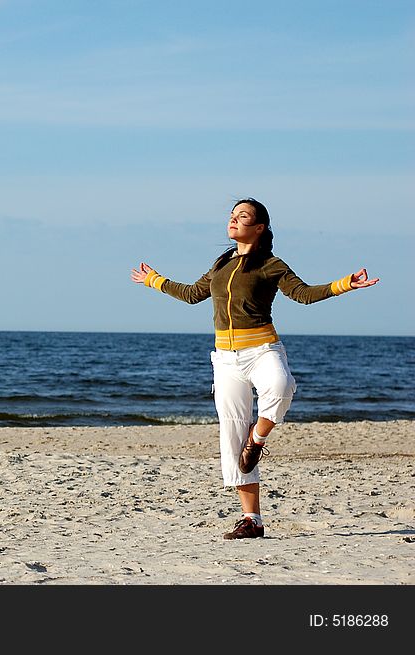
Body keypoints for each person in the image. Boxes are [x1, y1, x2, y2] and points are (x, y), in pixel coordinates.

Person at [131, 198, 379, 539]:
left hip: (262, 348)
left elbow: (304, 295)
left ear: (259, 227)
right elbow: (191, 294)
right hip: (225, 358)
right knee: (233, 437)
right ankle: (252, 520)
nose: (233, 221)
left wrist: (344, 284)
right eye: (232, 216)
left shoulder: (271, 265)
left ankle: (259, 437)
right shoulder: (221, 264)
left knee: (280, 386)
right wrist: (153, 280)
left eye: (242, 216)